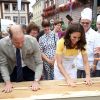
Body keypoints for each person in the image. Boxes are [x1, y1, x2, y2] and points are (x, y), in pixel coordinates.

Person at [0, 25, 43, 93]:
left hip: (29, 68)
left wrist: (36, 80)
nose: (20, 45)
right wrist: (7, 82)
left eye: (22, 41)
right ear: (10, 38)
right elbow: (3, 65)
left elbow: (39, 63)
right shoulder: (2, 44)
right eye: (17, 42)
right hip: (13, 69)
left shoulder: (33, 41)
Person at [76, 8, 99, 78]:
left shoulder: (96, 35)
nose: (85, 24)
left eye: (87, 23)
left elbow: (97, 52)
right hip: (77, 66)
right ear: (80, 22)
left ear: (91, 22)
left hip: (89, 66)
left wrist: (94, 64)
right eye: (83, 23)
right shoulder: (77, 33)